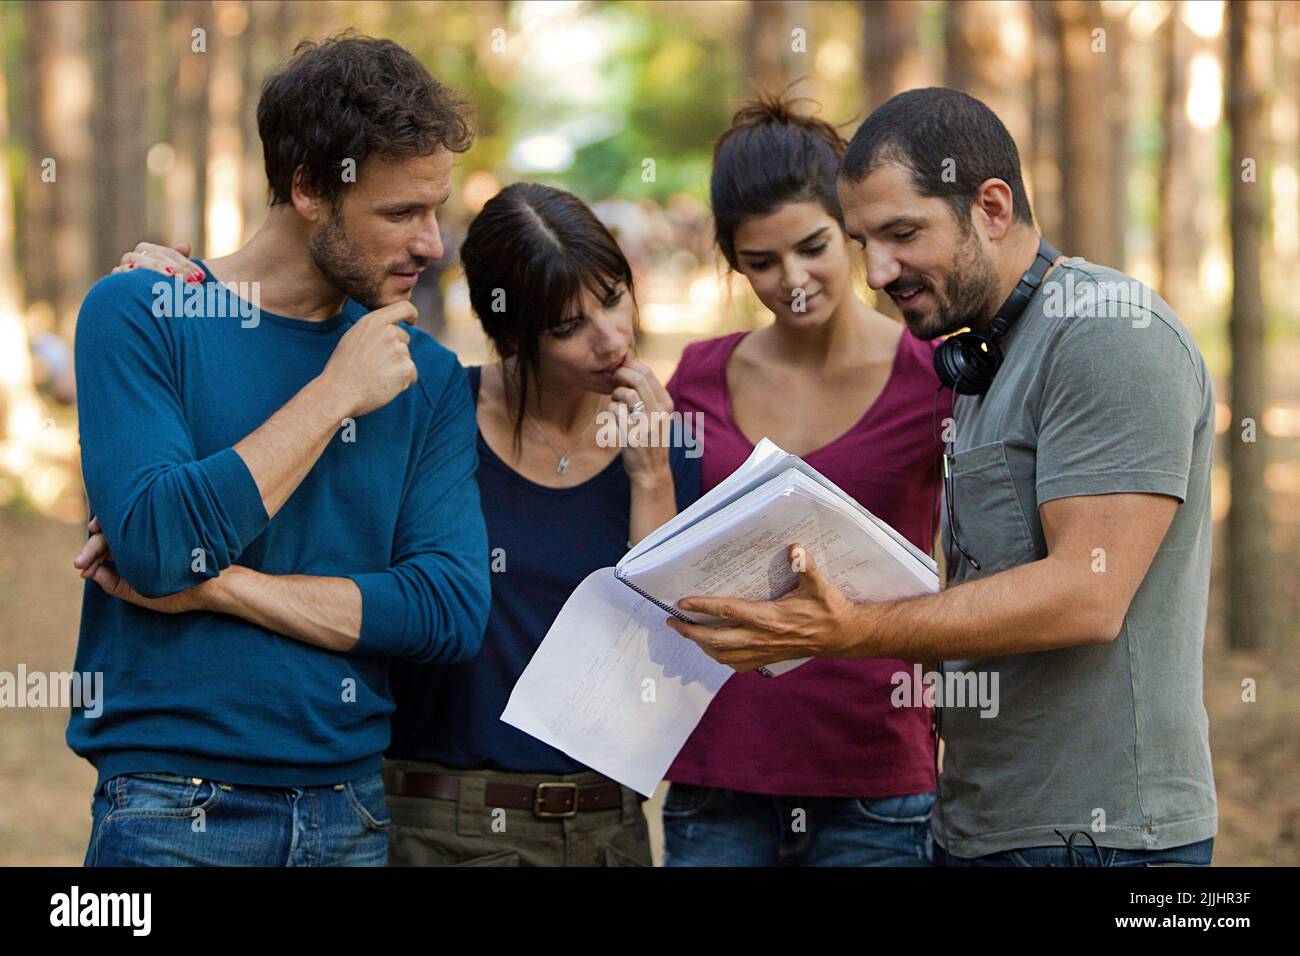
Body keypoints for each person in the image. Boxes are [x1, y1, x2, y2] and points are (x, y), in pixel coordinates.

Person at [667, 87, 1217, 867]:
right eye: (863, 241)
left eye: (900, 234)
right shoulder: (979, 361)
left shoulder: (1106, 334)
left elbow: (1087, 594)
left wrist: (852, 629)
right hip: (983, 823)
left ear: (991, 207)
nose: (877, 271)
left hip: (1103, 839)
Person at [89, 182, 700, 866]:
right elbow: (265, 440)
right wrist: (185, 289)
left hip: (605, 826)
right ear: (510, 331)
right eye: (567, 325)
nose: (611, 338)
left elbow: (659, 680)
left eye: (614, 296)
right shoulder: (431, 407)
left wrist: (651, 481)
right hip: (431, 817)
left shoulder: (667, 448)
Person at [68, 34, 491, 867]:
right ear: (307, 188)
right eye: (401, 213)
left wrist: (221, 587)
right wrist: (334, 392)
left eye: (434, 211)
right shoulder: (141, 312)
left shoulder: (427, 376)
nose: (432, 245)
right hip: (169, 812)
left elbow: (447, 609)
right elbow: (155, 549)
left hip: (353, 816)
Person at [660, 94, 947, 867]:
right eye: (761, 262)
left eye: (813, 246)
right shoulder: (698, 378)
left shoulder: (932, 379)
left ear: (849, 230)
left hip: (874, 778)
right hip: (719, 774)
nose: (792, 280)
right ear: (732, 261)